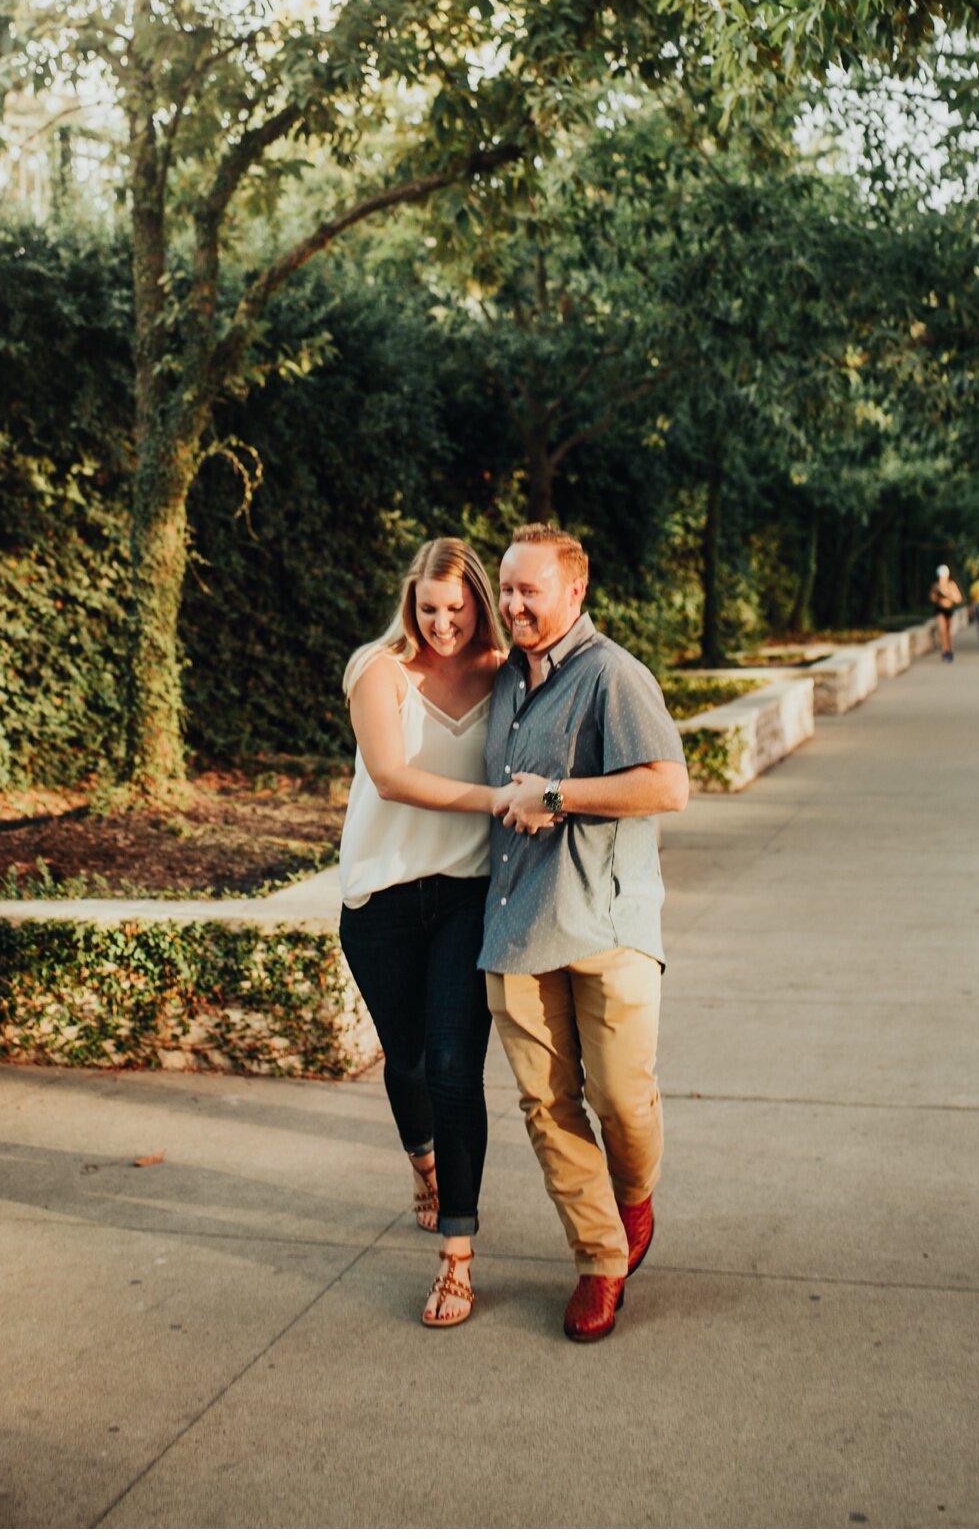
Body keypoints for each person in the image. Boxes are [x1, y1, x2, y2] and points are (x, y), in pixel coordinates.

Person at [479, 524, 690, 1344]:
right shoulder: (503, 682)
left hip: (605, 922)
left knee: (622, 1099)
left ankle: (633, 1199)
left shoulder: (613, 676)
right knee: (546, 1106)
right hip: (516, 923)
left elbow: (668, 787)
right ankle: (600, 1261)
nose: (513, 604)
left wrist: (558, 796)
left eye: (529, 590)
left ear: (575, 593)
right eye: (506, 589)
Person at [339, 538, 508, 1329]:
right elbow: (392, 777)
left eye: (457, 608)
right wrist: (500, 802)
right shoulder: (377, 669)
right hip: (382, 900)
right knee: (405, 1062)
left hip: (467, 897)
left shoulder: (507, 671)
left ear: (479, 600)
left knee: (453, 1070)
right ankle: (423, 1162)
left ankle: (458, 1258)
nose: (442, 624)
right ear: (411, 601)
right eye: (429, 608)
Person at [930, 564, 963, 661]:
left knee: (948, 631)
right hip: (940, 610)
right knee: (942, 630)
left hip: (949, 609)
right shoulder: (936, 585)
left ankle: (949, 649)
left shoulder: (951, 585)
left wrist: (948, 594)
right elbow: (932, 599)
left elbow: (958, 599)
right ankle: (945, 650)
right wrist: (937, 592)